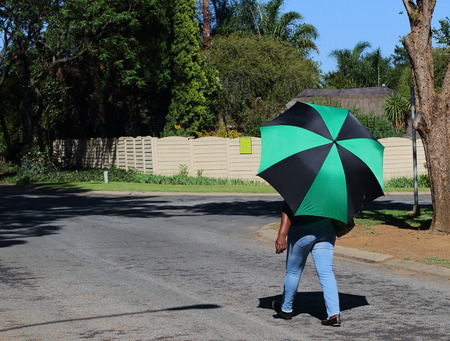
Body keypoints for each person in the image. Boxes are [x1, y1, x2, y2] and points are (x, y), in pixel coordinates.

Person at [272, 202, 341, 327]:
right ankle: (334, 315)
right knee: (326, 272)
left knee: (293, 272)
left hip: (301, 231)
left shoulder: (300, 184)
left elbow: (288, 208)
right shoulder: (331, 186)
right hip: (326, 231)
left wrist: (281, 236)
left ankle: (286, 310)